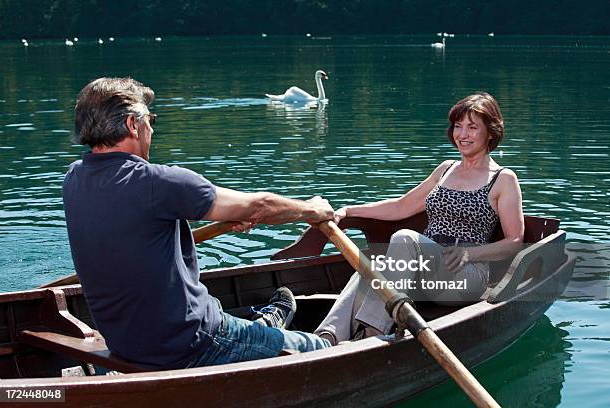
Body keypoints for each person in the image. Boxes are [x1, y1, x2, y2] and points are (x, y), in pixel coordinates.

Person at [62, 77, 333, 371]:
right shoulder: (158, 183)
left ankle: (264, 325)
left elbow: (138, 220)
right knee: (319, 347)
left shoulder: (74, 178)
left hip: (126, 343)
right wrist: (312, 210)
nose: (152, 128)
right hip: (195, 341)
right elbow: (261, 205)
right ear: (132, 124)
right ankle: (282, 335)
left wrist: (228, 214)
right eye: (149, 119)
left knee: (235, 321)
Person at [314, 92, 524, 345]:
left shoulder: (503, 179)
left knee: (404, 238)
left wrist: (471, 255)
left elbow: (514, 240)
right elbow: (401, 207)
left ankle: (371, 335)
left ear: (490, 133)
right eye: (458, 126)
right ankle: (326, 338)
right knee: (369, 269)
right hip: (425, 270)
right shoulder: (445, 170)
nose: (462, 135)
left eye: (472, 127)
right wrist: (349, 210)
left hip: (465, 274)